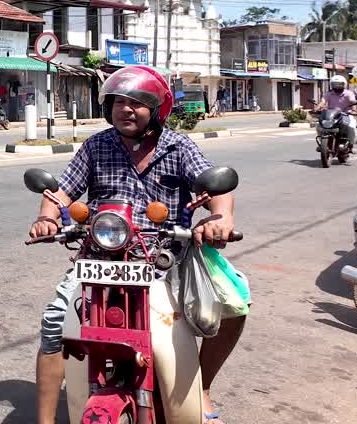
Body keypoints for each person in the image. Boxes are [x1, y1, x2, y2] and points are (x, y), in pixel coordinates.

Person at [28, 65, 245, 423]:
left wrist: (220, 219)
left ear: (157, 110)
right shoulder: (97, 146)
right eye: (118, 102)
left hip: (164, 257)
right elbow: (60, 191)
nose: (125, 109)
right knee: (54, 322)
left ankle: (202, 386)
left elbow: (216, 189)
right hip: (99, 258)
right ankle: (45, 420)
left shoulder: (178, 147)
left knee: (233, 304)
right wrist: (47, 217)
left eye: (137, 103)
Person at [319, 75, 357, 151]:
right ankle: (322, 143)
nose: (337, 86)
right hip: (331, 115)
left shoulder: (349, 93)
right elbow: (323, 101)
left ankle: (351, 145)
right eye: (335, 84)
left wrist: (354, 109)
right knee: (319, 125)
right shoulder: (329, 93)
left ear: (344, 84)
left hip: (346, 114)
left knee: (351, 126)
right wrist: (317, 108)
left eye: (340, 84)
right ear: (331, 85)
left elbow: (352, 101)